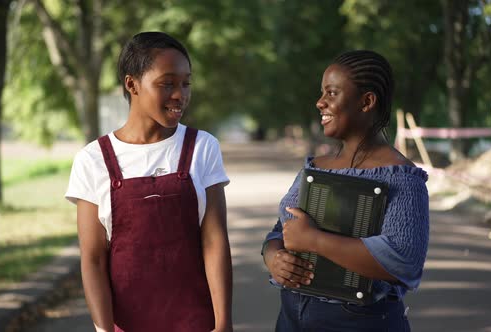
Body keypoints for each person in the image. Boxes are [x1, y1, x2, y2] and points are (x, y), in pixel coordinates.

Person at [65, 31, 233, 332]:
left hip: (195, 321)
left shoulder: (202, 147)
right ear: (132, 84)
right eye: (167, 83)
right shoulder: (93, 160)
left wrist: (223, 324)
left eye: (186, 83)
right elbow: (92, 259)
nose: (180, 94)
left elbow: (214, 241)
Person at [261, 50, 429, 331]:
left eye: (332, 93)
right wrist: (273, 257)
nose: (320, 102)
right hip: (292, 316)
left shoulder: (402, 178)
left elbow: (403, 260)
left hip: (360, 321)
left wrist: (314, 241)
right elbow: (282, 230)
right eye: (321, 93)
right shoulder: (315, 167)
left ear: (367, 101)